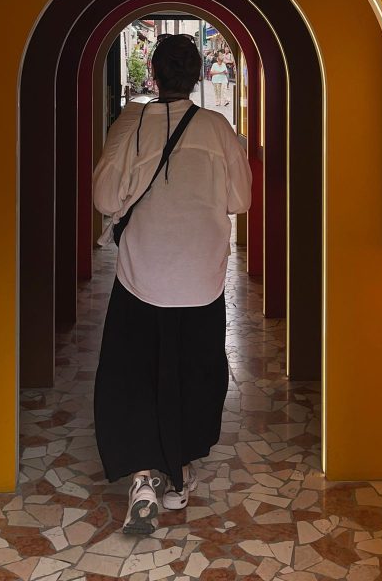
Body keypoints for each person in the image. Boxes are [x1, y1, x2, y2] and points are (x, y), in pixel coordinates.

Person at [92, 34, 252, 534]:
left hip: (141, 271)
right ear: (198, 76)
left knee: (134, 370)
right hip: (201, 276)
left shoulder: (131, 123)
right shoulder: (218, 128)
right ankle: (178, 471)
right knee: (193, 371)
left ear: (154, 76)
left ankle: (144, 476)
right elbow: (240, 199)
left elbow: (103, 196)